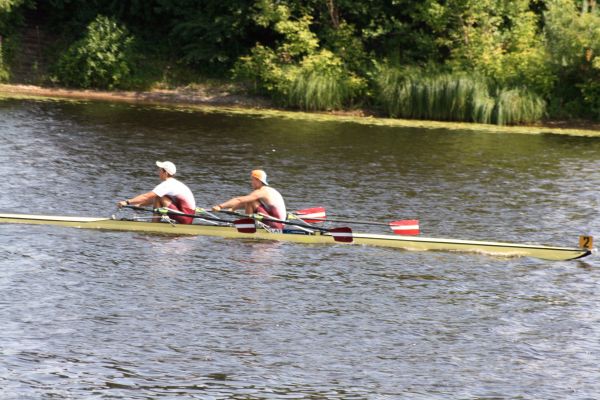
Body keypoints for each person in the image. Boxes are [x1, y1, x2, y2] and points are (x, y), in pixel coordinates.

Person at [117, 161, 196, 224]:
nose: (158, 172)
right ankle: (155, 223)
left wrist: (127, 202)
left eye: (160, 170)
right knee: (158, 197)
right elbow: (153, 199)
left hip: (185, 217)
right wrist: (140, 204)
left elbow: (146, 196)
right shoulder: (174, 183)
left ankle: (154, 224)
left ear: (165, 173)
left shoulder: (167, 185)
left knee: (158, 197)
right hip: (188, 217)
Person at [212, 169, 287, 230]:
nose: (251, 183)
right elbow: (242, 202)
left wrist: (220, 206)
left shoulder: (262, 192)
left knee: (250, 201)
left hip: (275, 225)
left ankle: (247, 226)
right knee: (249, 200)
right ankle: (250, 225)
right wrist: (233, 209)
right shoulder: (268, 190)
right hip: (279, 224)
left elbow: (240, 200)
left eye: (252, 180)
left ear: (258, 180)